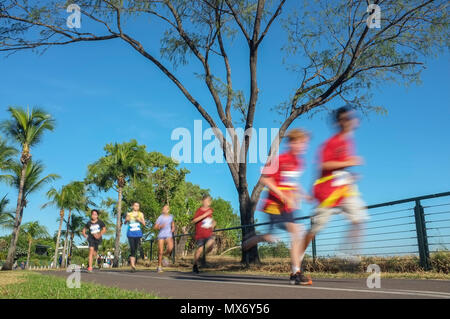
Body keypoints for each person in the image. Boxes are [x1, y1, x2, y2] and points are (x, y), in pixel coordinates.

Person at [299, 106, 369, 284]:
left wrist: (349, 173)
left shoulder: (348, 142)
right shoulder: (331, 143)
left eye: (351, 118)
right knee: (314, 230)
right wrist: (348, 162)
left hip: (345, 189)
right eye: (346, 118)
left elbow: (339, 167)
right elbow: (325, 165)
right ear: (339, 122)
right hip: (327, 193)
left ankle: (347, 254)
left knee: (360, 219)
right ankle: (297, 261)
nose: (350, 121)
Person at [242, 128, 312, 285]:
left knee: (296, 233)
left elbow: (293, 184)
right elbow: (265, 179)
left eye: (305, 143)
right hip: (274, 205)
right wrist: (282, 194)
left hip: (289, 207)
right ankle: (295, 272)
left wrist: (303, 194)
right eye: (301, 142)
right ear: (292, 142)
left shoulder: (298, 162)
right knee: (284, 235)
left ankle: (295, 272)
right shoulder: (280, 159)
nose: (304, 146)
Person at [192, 195, 216, 274]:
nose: (206, 203)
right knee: (199, 250)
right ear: (202, 202)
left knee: (211, 244)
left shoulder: (210, 210)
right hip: (200, 234)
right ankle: (195, 265)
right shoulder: (199, 210)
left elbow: (210, 220)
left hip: (208, 233)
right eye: (205, 201)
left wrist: (213, 223)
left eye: (208, 201)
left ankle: (203, 257)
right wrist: (203, 215)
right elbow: (194, 220)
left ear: (210, 203)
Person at [125, 202, 146, 272]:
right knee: (132, 249)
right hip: (130, 233)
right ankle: (132, 266)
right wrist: (127, 219)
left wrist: (139, 219)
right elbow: (125, 222)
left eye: (138, 206)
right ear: (132, 206)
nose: (136, 207)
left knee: (135, 249)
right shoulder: (129, 214)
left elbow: (144, 224)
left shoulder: (141, 214)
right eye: (135, 205)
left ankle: (133, 264)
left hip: (138, 233)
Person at [154, 204, 175, 273]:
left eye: (166, 209)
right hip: (161, 235)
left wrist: (173, 228)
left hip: (168, 234)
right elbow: (155, 227)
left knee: (170, 247)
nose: (164, 210)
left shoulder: (171, 217)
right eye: (163, 209)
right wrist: (160, 226)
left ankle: (165, 255)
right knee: (160, 251)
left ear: (168, 210)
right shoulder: (160, 217)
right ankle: (159, 266)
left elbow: (172, 224)